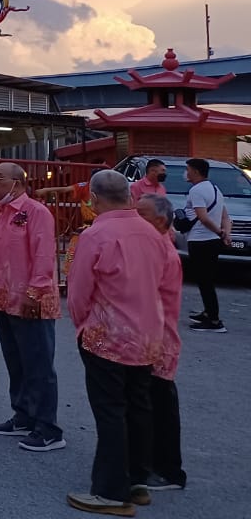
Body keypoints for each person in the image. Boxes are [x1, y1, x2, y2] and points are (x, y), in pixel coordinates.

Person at [66, 170, 172, 515]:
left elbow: (79, 292)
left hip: (108, 335)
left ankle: (111, 491)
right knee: (139, 406)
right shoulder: (154, 234)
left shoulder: (97, 234)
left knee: (110, 410)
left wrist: (82, 326)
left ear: (94, 199)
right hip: (148, 334)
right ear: (129, 195)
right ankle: (137, 480)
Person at [0, 162, 64, 452]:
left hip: (31, 300)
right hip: (6, 298)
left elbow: (43, 255)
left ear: (18, 183)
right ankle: (23, 414)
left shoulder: (37, 213)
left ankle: (48, 427)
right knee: (16, 360)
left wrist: (35, 292)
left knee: (39, 364)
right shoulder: (4, 214)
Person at [135, 192, 186, 493]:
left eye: (142, 214)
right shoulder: (150, 247)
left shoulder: (163, 253)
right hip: (146, 338)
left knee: (160, 403)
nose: (134, 218)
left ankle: (167, 470)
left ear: (161, 221)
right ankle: (149, 462)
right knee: (148, 402)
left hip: (157, 340)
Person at [182, 157, 232, 332]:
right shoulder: (216, 190)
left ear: (195, 171)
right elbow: (226, 216)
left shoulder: (196, 191)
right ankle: (208, 312)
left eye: (187, 170)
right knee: (206, 280)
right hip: (211, 241)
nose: (186, 173)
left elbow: (203, 218)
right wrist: (226, 233)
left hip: (200, 241)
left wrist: (220, 232)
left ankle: (214, 321)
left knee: (205, 281)